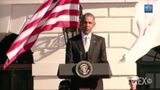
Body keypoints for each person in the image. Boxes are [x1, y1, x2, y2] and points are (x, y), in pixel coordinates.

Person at [65, 13, 111, 90]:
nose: (87, 25)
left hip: (95, 84)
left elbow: (103, 61)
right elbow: (69, 62)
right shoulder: (72, 42)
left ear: (94, 24)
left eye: (90, 23)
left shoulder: (100, 41)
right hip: (77, 83)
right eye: (85, 22)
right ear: (80, 23)